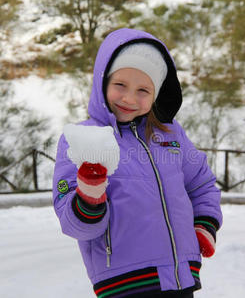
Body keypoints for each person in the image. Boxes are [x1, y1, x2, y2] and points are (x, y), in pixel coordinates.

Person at [53, 28, 222, 298]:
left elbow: (202, 184)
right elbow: (74, 225)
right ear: (102, 82)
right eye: (120, 85)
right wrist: (90, 195)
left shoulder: (170, 135)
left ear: (156, 94)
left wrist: (204, 224)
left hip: (181, 278)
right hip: (124, 283)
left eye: (143, 89)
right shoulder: (85, 139)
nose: (129, 98)